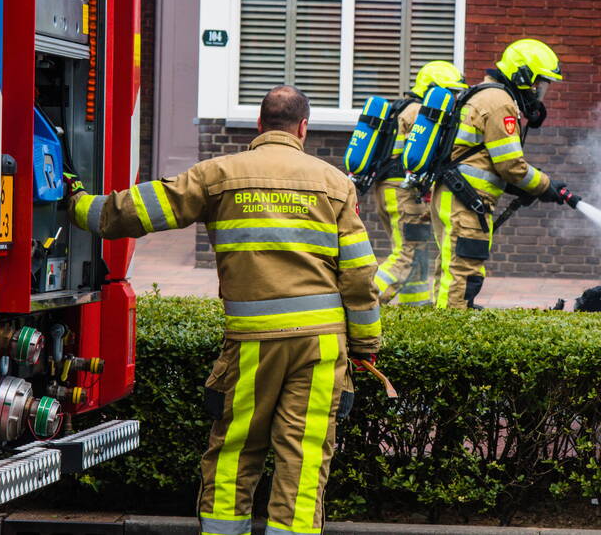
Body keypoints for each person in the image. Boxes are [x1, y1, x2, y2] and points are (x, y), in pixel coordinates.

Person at [65, 86, 379, 535]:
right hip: (321, 345)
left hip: (253, 343)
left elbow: (141, 209)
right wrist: (366, 345)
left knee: (236, 449)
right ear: (303, 128)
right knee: (305, 455)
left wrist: (81, 207)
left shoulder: (219, 174)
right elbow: (360, 276)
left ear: (259, 125)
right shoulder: (335, 184)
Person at [431, 39, 569, 310]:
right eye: (537, 84)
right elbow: (511, 166)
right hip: (465, 202)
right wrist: (545, 186)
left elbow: (487, 160)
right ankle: (448, 334)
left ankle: (444, 326)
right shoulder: (500, 103)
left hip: (456, 197)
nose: (537, 93)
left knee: (453, 270)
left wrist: (524, 187)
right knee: (463, 276)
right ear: (522, 75)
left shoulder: (484, 93)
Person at [374, 61, 468, 308]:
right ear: (432, 89)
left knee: (417, 253)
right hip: (403, 194)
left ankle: (413, 308)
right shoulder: (420, 112)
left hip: (391, 190)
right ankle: (364, 303)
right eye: (450, 92)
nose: (454, 99)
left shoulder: (402, 108)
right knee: (407, 253)